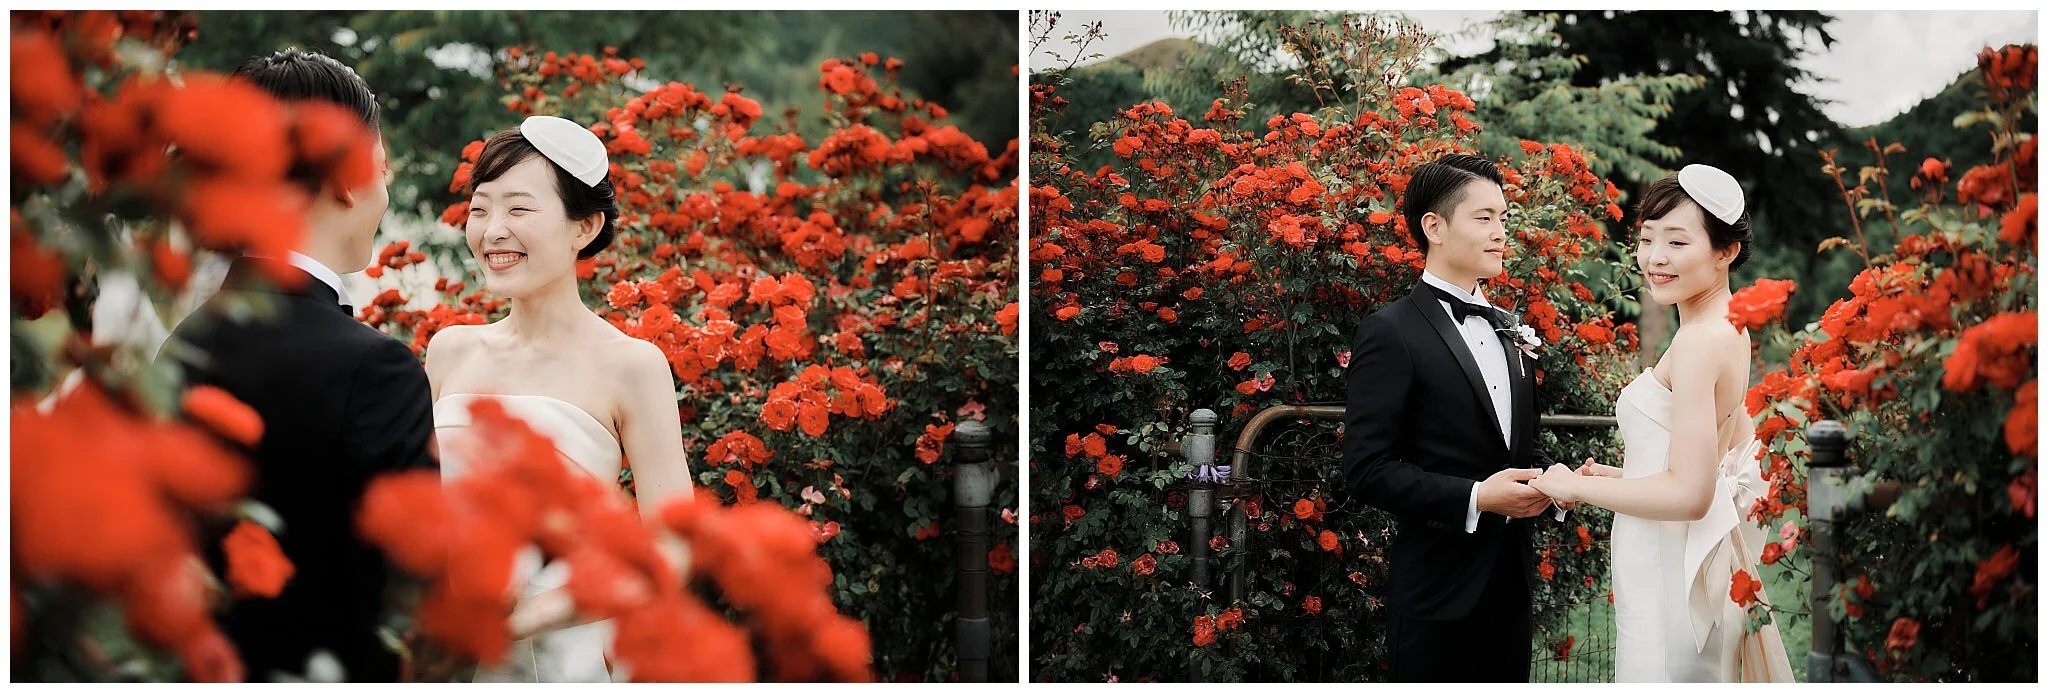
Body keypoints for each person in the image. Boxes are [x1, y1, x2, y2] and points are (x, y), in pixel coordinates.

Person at [162, 48, 427, 682]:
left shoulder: (185, 342)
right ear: (346, 178)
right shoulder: (376, 368)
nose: (386, 192)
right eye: (382, 169)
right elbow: (407, 608)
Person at [423, 116, 694, 682]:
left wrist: (522, 619)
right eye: (480, 209)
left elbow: (672, 547)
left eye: (519, 209)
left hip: (559, 659)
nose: (493, 230)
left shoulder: (631, 365)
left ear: (585, 227)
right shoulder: (449, 351)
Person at [1529, 165, 1795, 682]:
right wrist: (1621, 477)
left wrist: (1575, 487)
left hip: (1669, 569)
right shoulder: (1726, 329)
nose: (1654, 258)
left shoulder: (1698, 342)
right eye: (1648, 238)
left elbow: (1691, 494)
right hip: (1676, 557)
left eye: (1677, 241)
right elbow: (1707, 463)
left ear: (1725, 252)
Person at [1340, 153, 1568, 682]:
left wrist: (1554, 479)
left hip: (1510, 591)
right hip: (1435, 595)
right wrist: (1478, 497)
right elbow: (1366, 469)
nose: (1500, 232)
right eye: (1484, 218)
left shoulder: (1511, 328)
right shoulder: (1391, 331)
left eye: (1503, 218)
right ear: (1434, 227)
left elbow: (1518, 447)